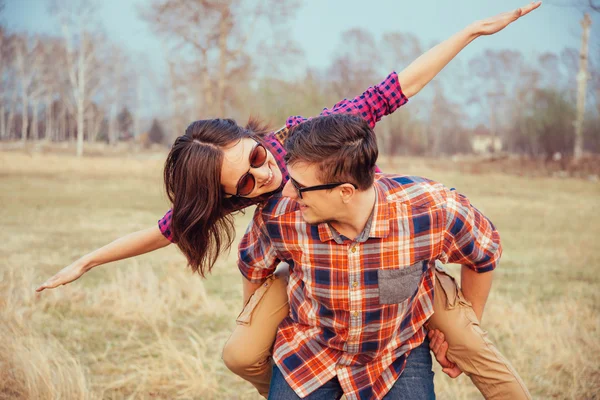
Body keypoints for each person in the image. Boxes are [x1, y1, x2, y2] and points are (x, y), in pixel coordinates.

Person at [35, 3, 541, 399]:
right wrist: (89, 259)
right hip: (304, 260)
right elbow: (164, 231)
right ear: (230, 195)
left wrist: (469, 33)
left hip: (395, 251)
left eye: (255, 156)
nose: (264, 173)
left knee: (470, 342)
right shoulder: (256, 206)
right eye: (247, 182)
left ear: (253, 137)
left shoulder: (307, 140)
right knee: (244, 350)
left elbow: (395, 88)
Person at [237, 113, 531, 399]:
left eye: (300, 187)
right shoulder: (279, 216)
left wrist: (467, 325)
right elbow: (253, 267)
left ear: (345, 192)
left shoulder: (432, 209)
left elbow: (483, 253)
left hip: (395, 354)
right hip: (310, 351)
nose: (287, 192)